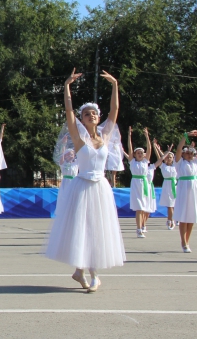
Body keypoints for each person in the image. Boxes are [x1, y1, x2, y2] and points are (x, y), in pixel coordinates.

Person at [43, 69, 125, 293]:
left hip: (100, 188)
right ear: (83, 118)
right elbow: (69, 110)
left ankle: (89, 273)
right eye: (87, 114)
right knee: (84, 229)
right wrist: (67, 85)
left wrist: (115, 85)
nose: (91, 116)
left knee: (98, 229)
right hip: (82, 186)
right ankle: (85, 272)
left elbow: (114, 110)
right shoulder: (79, 139)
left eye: (94, 113)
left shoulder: (105, 136)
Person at [173, 131, 197, 253]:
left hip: (194, 190)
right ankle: (183, 241)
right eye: (188, 153)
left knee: (191, 217)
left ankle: (187, 241)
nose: (190, 155)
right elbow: (179, 149)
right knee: (184, 216)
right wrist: (185, 136)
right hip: (183, 190)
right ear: (184, 154)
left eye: (192, 153)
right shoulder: (179, 163)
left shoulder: (195, 162)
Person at [126, 127, 152, 238]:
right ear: (135, 155)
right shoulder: (132, 162)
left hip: (144, 184)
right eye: (138, 153)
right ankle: (138, 229)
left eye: (142, 152)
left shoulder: (146, 161)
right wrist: (129, 136)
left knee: (143, 208)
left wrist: (147, 136)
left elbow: (149, 149)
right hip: (136, 184)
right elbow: (129, 148)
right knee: (139, 208)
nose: (140, 154)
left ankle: (141, 227)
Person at [153, 142, 177, 229]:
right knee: (169, 205)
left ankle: (172, 219)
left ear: (173, 158)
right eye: (167, 157)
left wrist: (167, 151)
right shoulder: (163, 166)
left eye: (170, 157)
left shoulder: (176, 166)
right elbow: (159, 157)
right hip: (167, 185)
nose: (168, 158)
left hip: (175, 185)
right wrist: (156, 148)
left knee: (174, 205)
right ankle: (170, 220)